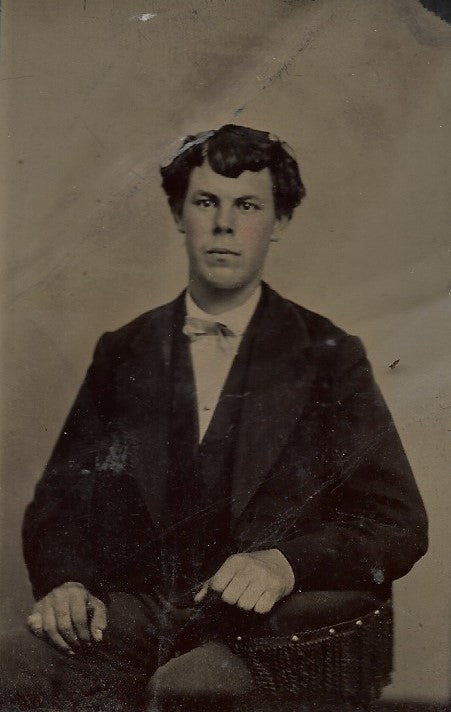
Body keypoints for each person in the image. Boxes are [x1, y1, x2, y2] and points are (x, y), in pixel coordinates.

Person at [13, 125, 427, 710]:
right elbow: (59, 502)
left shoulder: (330, 356)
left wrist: (284, 563)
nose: (224, 225)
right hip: (140, 614)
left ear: (279, 222)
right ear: (180, 214)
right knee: (12, 667)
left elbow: (397, 523)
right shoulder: (124, 350)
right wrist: (66, 583)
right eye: (206, 202)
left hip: (269, 630)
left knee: (193, 691)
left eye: (248, 206)